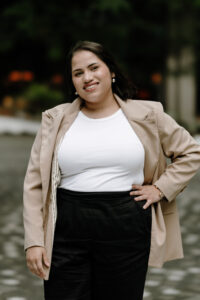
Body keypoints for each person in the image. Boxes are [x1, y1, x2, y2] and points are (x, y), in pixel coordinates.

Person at [23, 40, 200, 300]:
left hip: (125, 225)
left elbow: (191, 152)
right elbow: (35, 184)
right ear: (72, 81)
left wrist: (161, 188)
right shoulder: (55, 119)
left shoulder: (149, 114)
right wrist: (35, 241)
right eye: (78, 73)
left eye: (94, 67)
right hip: (66, 226)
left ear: (112, 71)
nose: (87, 77)